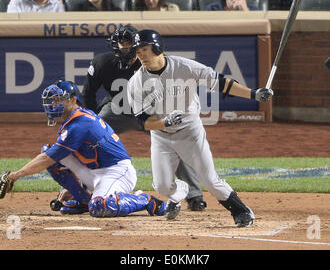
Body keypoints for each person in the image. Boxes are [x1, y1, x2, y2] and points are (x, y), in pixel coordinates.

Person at [127, 29, 273, 226]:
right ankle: (180, 190)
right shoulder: (136, 82)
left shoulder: (184, 67)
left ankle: (242, 211)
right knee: (161, 187)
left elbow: (220, 83)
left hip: (190, 133)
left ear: (157, 47)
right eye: (137, 51)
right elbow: (142, 122)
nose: (141, 55)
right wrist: (165, 123)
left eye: (144, 49)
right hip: (161, 137)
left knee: (210, 180)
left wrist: (253, 94)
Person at [81, 24, 207, 211]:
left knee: (176, 146)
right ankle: (77, 193)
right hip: (117, 110)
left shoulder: (152, 61)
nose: (124, 46)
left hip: (151, 113)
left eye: (128, 42)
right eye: (120, 42)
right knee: (88, 139)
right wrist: (92, 122)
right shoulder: (101, 63)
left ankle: (194, 196)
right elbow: (88, 94)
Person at [6, 79, 166, 218]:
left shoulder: (80, 124)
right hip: (94, 172)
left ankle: (145, 200)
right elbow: (53, 156)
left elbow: (48, 158)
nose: (54, 104)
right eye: (53, 101)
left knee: (100, 206)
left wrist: (15, 175)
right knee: (48, 151)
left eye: (59, 100)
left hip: (117, 172)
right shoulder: (74, 119)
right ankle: (84, 200)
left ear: (73, 100)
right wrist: (70, 188)